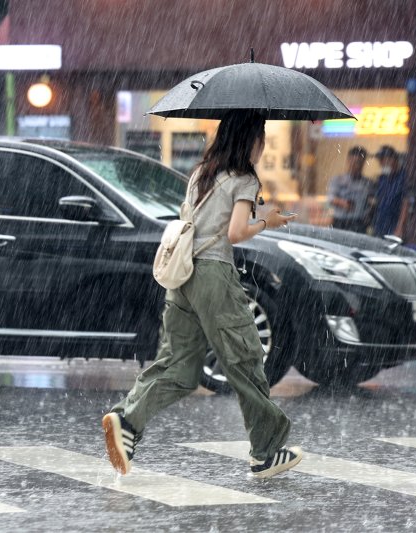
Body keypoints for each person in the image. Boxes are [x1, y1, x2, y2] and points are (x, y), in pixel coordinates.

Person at [102, 111, 302, 479]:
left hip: (183, 274)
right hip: (213, 275)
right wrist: (267, 222)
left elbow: (207, 218)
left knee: (178, 364)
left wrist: (254, 212)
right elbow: (235, 233)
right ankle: (266, 451)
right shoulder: (244, 177)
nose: (262, 146)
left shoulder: (202, 172)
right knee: (245, 357)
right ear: (250, 140)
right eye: (260, 138)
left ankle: (127, 420)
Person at [327, 146, 373, 233]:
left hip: (359, 223)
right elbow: (331, 198)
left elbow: (371, 202)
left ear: (363, 163)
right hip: (340, 221)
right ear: (348, 161)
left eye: (359, 163)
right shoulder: (338, 180)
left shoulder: (368, 183)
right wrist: (343, 203)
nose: (356, 166)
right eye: (354, 162)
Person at [372, 145, 412, 237]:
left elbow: (406, 202)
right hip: (380, 225)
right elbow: (377, 200)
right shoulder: (382, 179)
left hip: (395, 225)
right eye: (380, 161)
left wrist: (400, 227)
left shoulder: (405, 177)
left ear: (393, 159)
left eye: (384, 160)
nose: (381, 164)